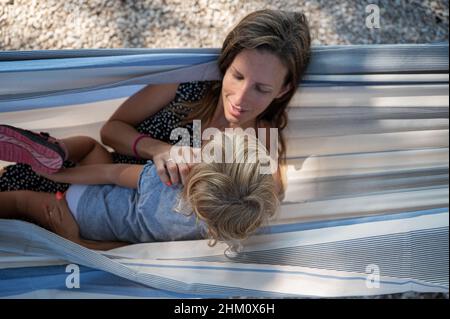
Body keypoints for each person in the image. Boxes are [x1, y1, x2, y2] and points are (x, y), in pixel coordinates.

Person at [0, 9, 312, 200]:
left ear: (284, 90)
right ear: (225, 64)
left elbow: (257, 205)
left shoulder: (260, 141)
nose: (241, 98)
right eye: (238, 76)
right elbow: (111, 130)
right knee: (16, 191)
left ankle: (57, 152)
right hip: (90, 171)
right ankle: (55, 151)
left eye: (261, 88)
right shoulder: (185, 84)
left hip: (120, 222)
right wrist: (158, 150)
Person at [0, 130, 279, 251]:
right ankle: (53, 155)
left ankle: (54, 154)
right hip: (92, 218)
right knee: (92, 150)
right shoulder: (205, 235)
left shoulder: (169, 180)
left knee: (23, 201)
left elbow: (112, 173)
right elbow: (132, 250)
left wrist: (60, 175)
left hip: (77, 215)